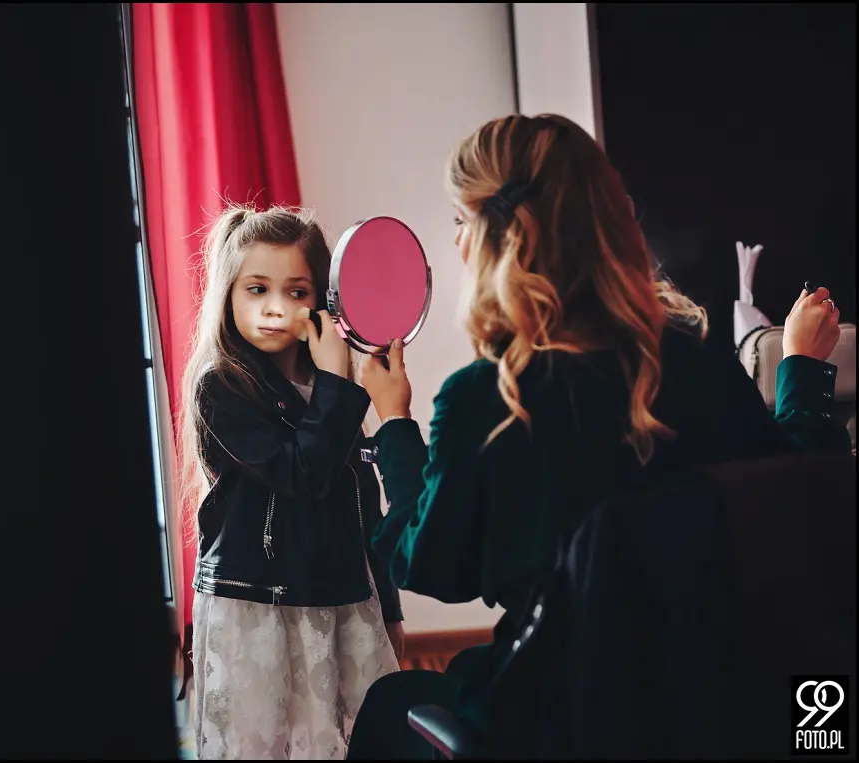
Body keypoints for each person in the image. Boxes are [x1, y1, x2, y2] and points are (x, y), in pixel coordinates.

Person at [346, 113, 850, 758]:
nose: (456, 244)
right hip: (704, 699)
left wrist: (394, 427)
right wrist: (802, 367)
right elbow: (795, 481)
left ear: (495, 237)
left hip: (568, 709)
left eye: (459, 224)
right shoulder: (695, 364)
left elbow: (432, 564)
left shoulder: (487, 398)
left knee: (390, 702)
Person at [178, 203, 406, 760]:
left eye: (297, 292)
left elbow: (363, 508)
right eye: (256, 289)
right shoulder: (223, 387)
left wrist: (390, 608)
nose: (276, 307)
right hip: (259, 608)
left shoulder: (333, 389)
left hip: (343, 600)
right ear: (229, 295)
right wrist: (336, 385)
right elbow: (301, 473)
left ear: (323, 302)